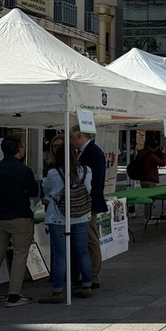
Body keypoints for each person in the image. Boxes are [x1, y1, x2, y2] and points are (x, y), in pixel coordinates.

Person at [0, 136, 38, 307]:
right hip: (19, 216)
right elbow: (34, 191)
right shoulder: (23, 170)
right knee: (20, 254)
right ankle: (13, 295)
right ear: (17, 149)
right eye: (22, 147)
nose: (23, 149)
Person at [40, 136, 93, 303]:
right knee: (83, 250)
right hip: (82, 215)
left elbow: (47, 192)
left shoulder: (53, 173)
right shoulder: (86, 170)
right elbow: (89, 189)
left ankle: (57, 290)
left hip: (59, 218)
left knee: (60, 254)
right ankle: (86, 284)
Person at [69, 126, 107, 290]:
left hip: (88, 203)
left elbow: (97, 181)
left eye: (71, 137)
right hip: (84, 202)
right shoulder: (86, 152)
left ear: (79, 136)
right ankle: (86, 274)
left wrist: (87, 201)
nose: (70, 141)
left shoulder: (93, 152)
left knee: (91, 239)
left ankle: (93, 275)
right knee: (85, 240)